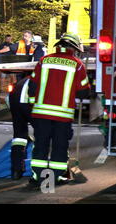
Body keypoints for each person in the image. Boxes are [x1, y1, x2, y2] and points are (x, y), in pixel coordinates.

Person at [27, 33, 91, 188]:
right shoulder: (77, 64)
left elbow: (32, 86)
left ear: (59, 46)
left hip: (41, 113)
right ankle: (53, 179)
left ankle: (38, 178)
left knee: (40, 145)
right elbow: (83, 92)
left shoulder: (44, 60)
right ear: (73, 48)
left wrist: (32, 106)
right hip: (62, 116)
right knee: (59, 146)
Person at [6, 75, 34, 180]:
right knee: (42, 134)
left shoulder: (26, 79)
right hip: (27, 103)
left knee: (19, 137)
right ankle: (40, 171)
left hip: (14, 99)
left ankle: (16, 171)